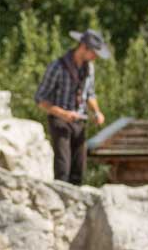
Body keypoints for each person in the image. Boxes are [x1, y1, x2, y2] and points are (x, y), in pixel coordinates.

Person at [35, 28, 110, 185]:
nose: (95, 57)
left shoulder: (89, 68)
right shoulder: (57, 67)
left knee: (79, 169)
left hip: (80, 121)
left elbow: (90, 94)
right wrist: (63, 114)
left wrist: (97, 112)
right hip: (60, 122)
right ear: (83, 47)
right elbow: (40, 99)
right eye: (94, 53)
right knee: (63, 168)